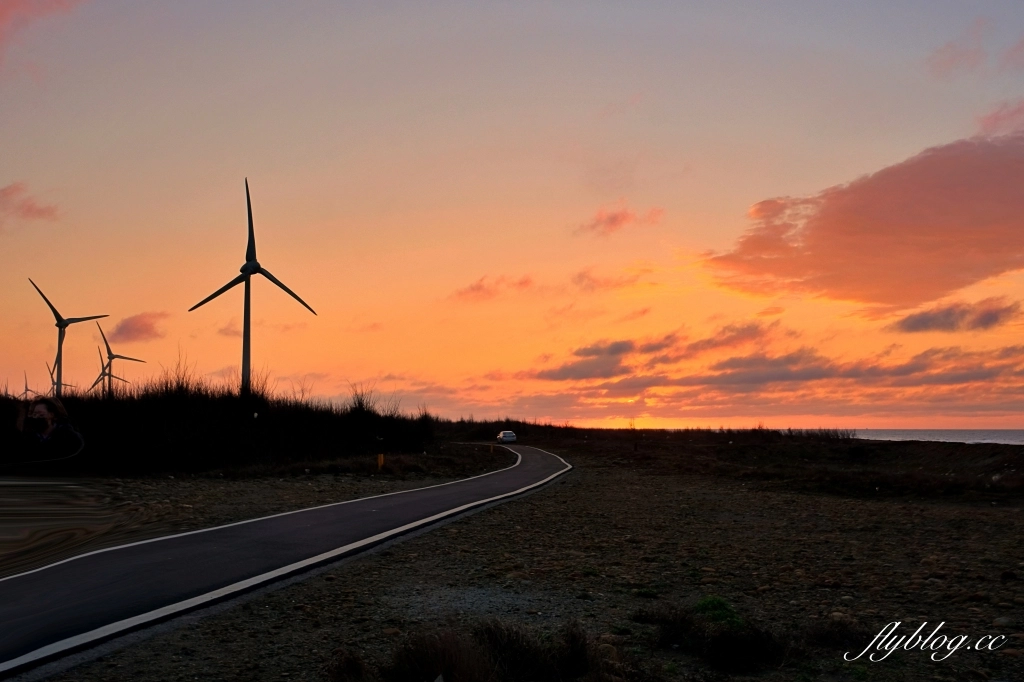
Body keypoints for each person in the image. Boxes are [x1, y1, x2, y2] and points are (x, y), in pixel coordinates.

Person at [13, 397, 84, 463]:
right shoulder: (27, 438)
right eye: (34, 414)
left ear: (52, 415)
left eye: (41, 415)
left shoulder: (70, 437)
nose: (36, 417)